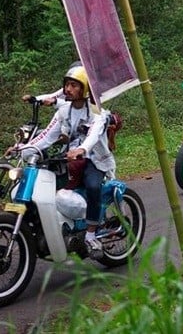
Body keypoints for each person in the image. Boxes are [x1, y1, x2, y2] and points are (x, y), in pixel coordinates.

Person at [21, 64, 116, 255]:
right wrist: (21, 148)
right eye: (67, 85)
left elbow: (94, 134)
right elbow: (47, 136)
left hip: (94, 160)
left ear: (85, 89)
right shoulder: (64, 111)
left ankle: (90, 235)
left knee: (93, 186)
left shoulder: (97, 112)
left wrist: (82, 149)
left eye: (74, 86)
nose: (68, 90)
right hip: (71, 159)